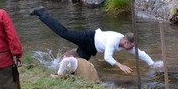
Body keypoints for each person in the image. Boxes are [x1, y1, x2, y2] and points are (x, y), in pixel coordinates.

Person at [30, 7, 162, 74]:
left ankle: (59, 70)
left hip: (91, 48)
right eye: (131, 46)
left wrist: (152, 64)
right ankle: (42, 13)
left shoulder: (127, 44)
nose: (131, 49)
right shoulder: (113, 40)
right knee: (64, 33)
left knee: (78, 65)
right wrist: (120, 65)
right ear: (126, 42)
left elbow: (140, 53)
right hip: (88, 38)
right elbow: (107, 57)